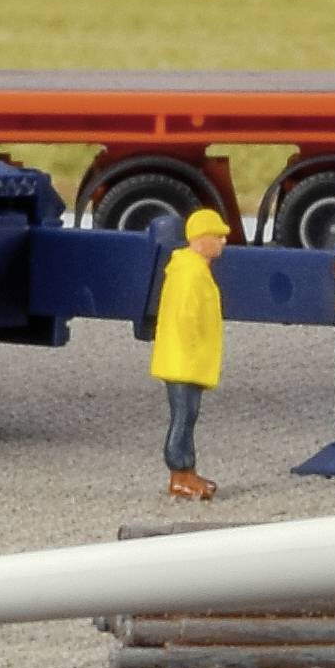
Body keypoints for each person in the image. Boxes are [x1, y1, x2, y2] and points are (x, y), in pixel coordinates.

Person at [148, 206, 229, 499]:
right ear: (200, 238)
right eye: (217, 236)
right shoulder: (190, 273)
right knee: (184, 415)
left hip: (188, 359)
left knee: (188, 414)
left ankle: (188, 471)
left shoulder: (194, 269)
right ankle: (179, 473)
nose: (223, 241)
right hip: (183, 360)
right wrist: (195, 348)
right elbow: (185, 317)